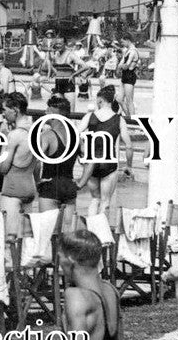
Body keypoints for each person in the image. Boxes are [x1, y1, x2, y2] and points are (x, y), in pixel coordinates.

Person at [75, 86, 131, 218]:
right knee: (105, 201)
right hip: (109, 163)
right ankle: (101, 233)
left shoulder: (90, 116)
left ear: (100, 100)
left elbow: (75, 134)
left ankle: (91, 228)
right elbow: (129, 146)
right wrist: (129, 165)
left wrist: (82, 150)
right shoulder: (119, 120)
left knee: (95, 199)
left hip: (91, 163)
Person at [0, 92, 38, 239]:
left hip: (12, 190)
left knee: (10, 239)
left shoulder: (14, 135)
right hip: (30, 187)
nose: (3, 114)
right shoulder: (35, 131)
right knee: (27, 239)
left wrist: (3, 142)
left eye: (4, 110)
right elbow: (37, 165)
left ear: (15, 110)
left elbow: (3, 168)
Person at [37, 95, 79, 231]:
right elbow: (90, 161)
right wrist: (82, 182)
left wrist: (37, 181)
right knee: (67, 233)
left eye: (47, 111)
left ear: (54, 115)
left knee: (48, 233)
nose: (44, 113)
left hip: (50, 186)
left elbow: (36, 162)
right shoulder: (75, 135)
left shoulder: (47, 136)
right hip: (69, 186)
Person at [117, 37, 140, 115]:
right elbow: (121, 63)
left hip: (130, 75)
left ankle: (133, 119)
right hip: (124, 75)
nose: (122, 44)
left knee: (129, 100)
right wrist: (120, 66)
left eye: (123, 42)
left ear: (128, 40)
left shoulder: (133, 51)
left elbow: (126, 65)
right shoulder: (127, 51)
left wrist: (120, 66)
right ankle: (128, 116)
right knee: (119, 99)